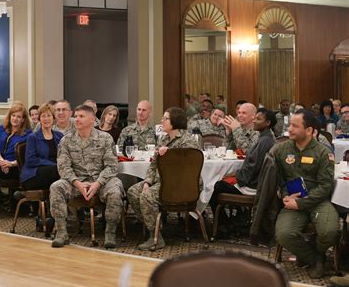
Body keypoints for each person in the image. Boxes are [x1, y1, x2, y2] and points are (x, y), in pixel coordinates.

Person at [273, 109, 339, 278]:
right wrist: (284, 194)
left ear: (309, 130)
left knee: (330, 232)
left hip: (317, 200)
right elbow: (276, 179)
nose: (290, 129)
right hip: (292, 201)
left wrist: (302, 202)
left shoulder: (324, 152)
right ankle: (315, 259)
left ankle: (310, 252)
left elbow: (325, 186)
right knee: (284, 234)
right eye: (290, 125)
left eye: (295, 126)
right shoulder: (281, 150)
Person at [49, 104, 124, 249]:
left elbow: (112, 166)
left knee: (116, 188)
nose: (76, 119)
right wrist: (77, 183)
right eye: (76, 116)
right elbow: (63, 167)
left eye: (81, 116)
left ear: (92, 120)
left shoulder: (105, 138)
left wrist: (97, 184)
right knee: (56, 187)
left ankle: (110, 233)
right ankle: (62, 233)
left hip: (101, 181)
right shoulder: (66, 140)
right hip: (76, 181)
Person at [127, 107, 200, 250]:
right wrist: (148, 181)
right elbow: (153, 165)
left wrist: (171, 153)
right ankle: (154, 229)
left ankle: (156, 238)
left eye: (165, 118)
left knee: (147, 196)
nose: (162, 121)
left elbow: (188, 166)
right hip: (162, 182)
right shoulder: (163, 139)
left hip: (181, 184)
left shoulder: (188, 140)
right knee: (133, 191)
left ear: (175, 121)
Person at [209, 108, 276, 236]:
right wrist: (230, 133)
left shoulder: (264, 140)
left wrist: (236, 176)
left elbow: (252, 165)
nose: (255, 121)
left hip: (254, 184)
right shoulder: (264, 137)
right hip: (252, 178)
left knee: (214, 187)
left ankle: (224, 225)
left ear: (267, 123)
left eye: (258, 119)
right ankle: (229, 222)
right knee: (218, 183)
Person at [20, 104, 63, 191]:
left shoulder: (60, 136)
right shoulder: (32, 137)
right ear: (39, 119)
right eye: (43, 116)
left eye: (49, 115)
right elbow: (31, 160)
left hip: (54, 171)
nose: (46, 119)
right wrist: (53, 164)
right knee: (58, 171)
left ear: (53, 118)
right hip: (33, 174)